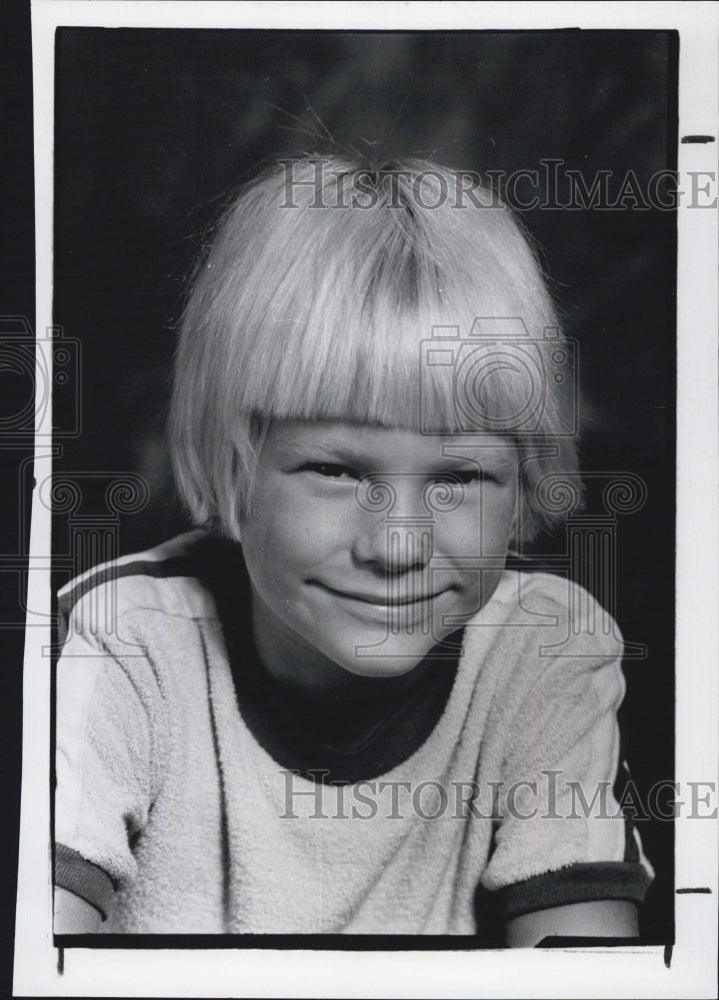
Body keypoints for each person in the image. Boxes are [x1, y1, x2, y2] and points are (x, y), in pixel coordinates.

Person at [53, 154, 653, 942]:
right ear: (235, 466)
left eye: (460, 478)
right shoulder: (127, 637)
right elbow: (31, 956)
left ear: (524, 484)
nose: (397, 544)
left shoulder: (544, 651)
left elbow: (587, 974)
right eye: (336, 469)